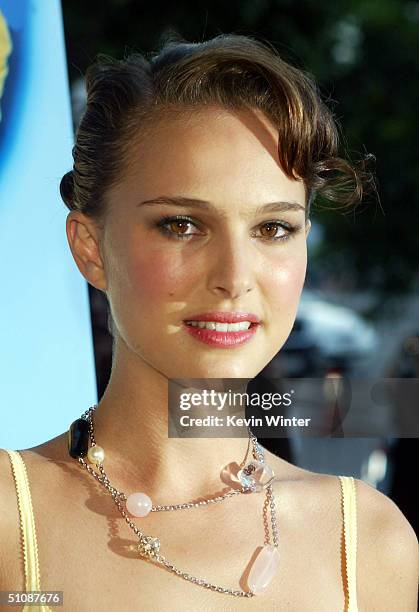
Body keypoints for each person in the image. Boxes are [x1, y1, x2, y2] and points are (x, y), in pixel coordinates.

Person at [1, 33, 417, 611]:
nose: (235, 276)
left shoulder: (368, 543)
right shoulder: (9, 523)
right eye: (181, 225)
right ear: (91, 248)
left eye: (273, 228)